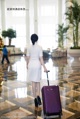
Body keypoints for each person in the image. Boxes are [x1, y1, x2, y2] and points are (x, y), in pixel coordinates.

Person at [27, 34, 47, 107]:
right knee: (38, 82)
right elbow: (41, 59)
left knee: (33, 83)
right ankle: (38, 96)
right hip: (37, 65)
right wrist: (44, 67)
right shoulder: (39, 47)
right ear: (37, 39)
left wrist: (27, 65)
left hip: (31, 65)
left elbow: (28, 58)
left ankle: (35, 98)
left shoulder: (28, 47)